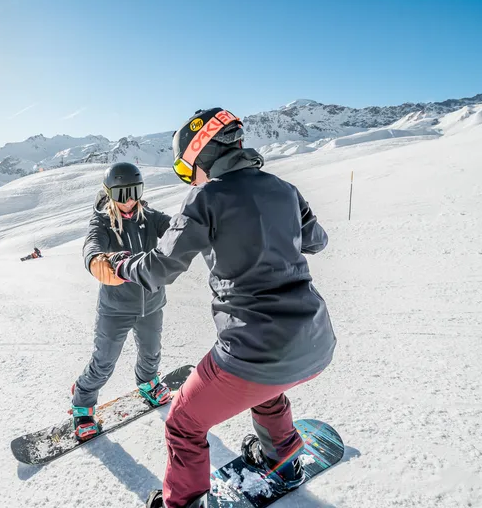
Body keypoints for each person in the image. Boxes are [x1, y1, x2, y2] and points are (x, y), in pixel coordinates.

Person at [94, 108, 336, 508]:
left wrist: (118, 264)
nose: (191, 178)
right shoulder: (285, 189)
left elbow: (158, 268)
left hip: (251, 350)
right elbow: (316, 240)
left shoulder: (205, 197)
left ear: (201, 154)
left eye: (187, 169)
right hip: (316, 341)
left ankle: (182, 502)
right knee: (266, 391)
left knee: (183, 424)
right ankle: (285, 459)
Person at [70, 161, 174, 442]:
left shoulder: (150, 217)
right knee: (103, 361)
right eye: (121, 194)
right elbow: (92, 245)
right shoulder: (103, 221)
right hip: (115, 309)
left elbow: (178, 229)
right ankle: (82, 403)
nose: (128, 201)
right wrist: (96, 261)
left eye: (134, 192)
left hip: (151, 303)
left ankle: (148, 383)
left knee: (151, 351)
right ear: (109, 194)